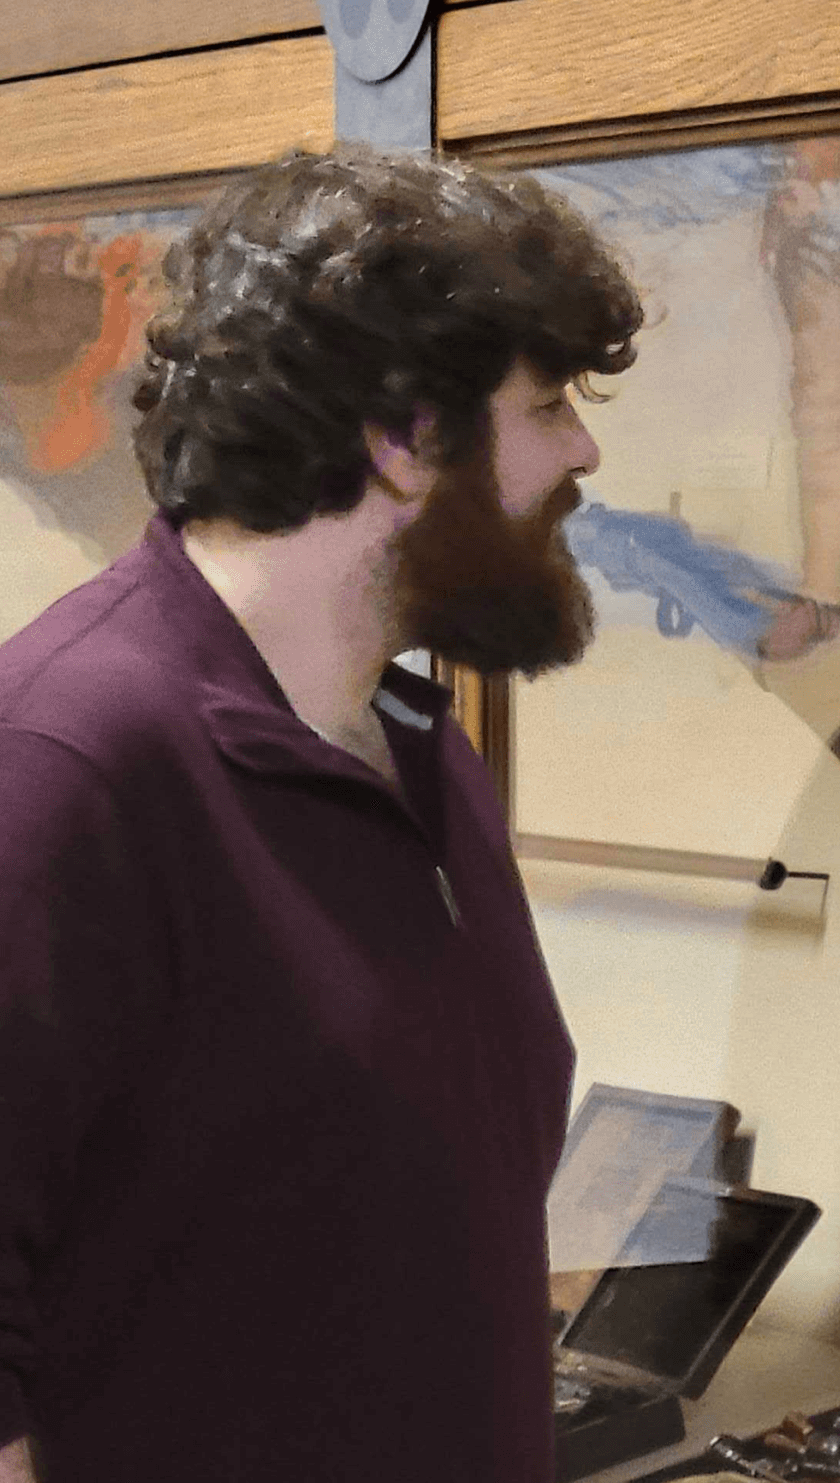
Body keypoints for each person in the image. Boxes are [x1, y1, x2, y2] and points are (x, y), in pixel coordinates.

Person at [0, 147, 644, 1483]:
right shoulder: (64, 763)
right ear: (403, 436)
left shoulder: (418, 751)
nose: (581, 449)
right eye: (547, 403)